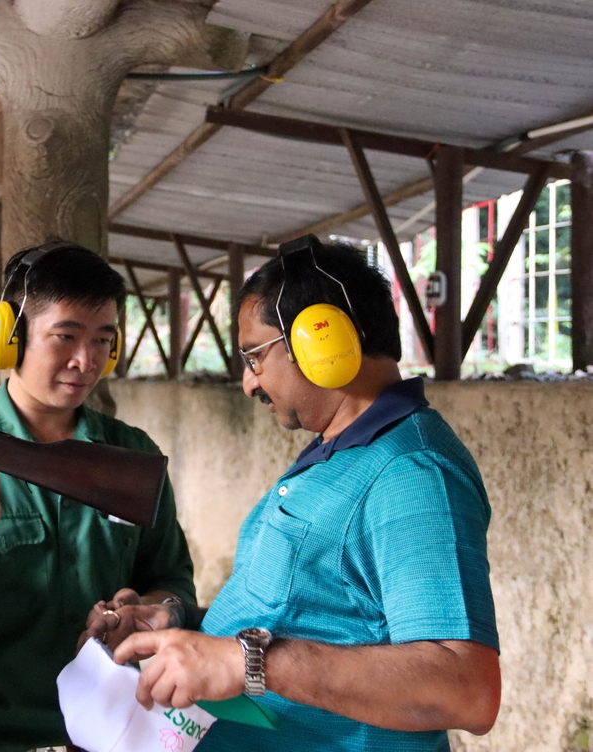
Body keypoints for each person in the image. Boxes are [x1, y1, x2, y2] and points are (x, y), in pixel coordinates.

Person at [85, 236, 501, 751]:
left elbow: (468, 691)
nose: (248, 383)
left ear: (319, 341)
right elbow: (308, 616)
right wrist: (182, 623)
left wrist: (250, 662)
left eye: (254, 357)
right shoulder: (339, 450)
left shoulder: (412, 473)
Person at [0, 240, 196, 752]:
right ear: (9, 340)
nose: (85, 360)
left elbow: (174, 586)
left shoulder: (131, 456)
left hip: (111, 739)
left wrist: (144, 608)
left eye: (103, 339)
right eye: (65, 336)